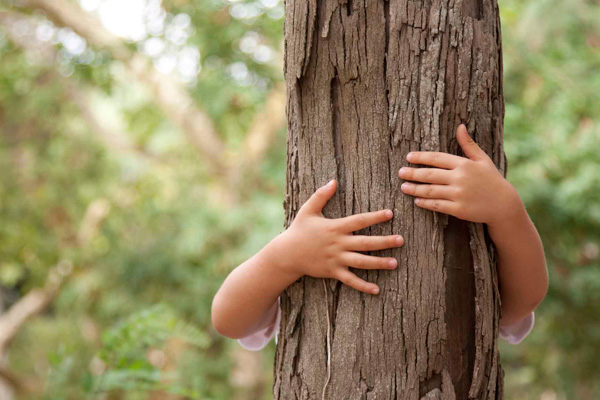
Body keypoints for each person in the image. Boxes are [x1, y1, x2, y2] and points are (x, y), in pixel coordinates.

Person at [211, 124, 548, 350]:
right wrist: (283, 258)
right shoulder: (308, 263)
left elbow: (518, 304)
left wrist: (507, 212)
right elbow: (229, 320)